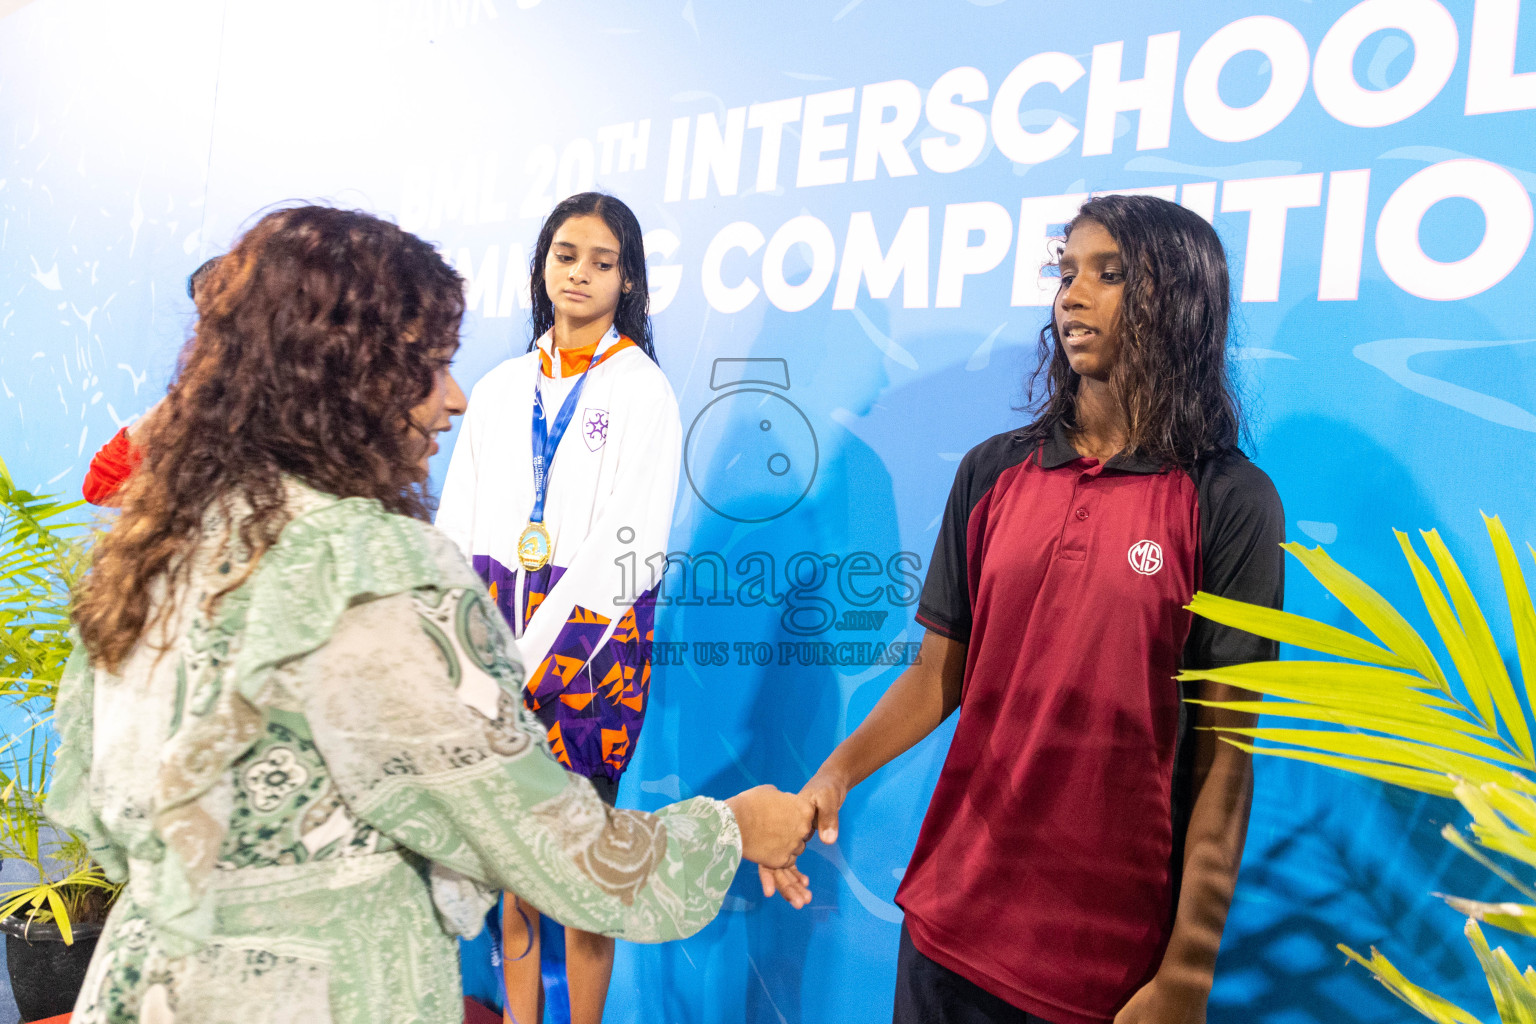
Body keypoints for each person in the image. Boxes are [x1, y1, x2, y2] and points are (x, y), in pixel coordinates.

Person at [49, 205, 813, 1024]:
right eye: (429, 365)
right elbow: (552, 847)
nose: (452, 399)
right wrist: (731, 828)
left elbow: (89, 804)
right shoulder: (370, 572)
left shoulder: (162, 541)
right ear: (345, 374)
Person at [763, 194, 1286, 1024]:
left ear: (1178, 301)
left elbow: (1225, 752)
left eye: (1108, 276)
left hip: (1101, 962)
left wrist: (1188, 968)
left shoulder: (1229, 499)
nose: (1072, 296)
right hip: (947, 920)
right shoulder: (993, 471)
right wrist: (836, 773)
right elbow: (941, 674)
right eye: (1066, 272)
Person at [435, 191, 679, 1024]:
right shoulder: (501, 389)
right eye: (566, 255)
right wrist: (469, 654)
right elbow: (455, 525)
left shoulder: (642, 390)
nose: (580, 274)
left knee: (583, 872)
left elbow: (633, 543)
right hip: (493, 640)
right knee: (517, 876)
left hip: (593, 651)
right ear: (543, 265)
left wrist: (530, 651)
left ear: (628, 280)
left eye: (601, 262)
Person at [81, 256, 221, 507]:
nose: (198, 327)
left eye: (212, 314)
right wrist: (193, 387)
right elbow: (102, 487)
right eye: (200, 314)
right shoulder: (210, 401)